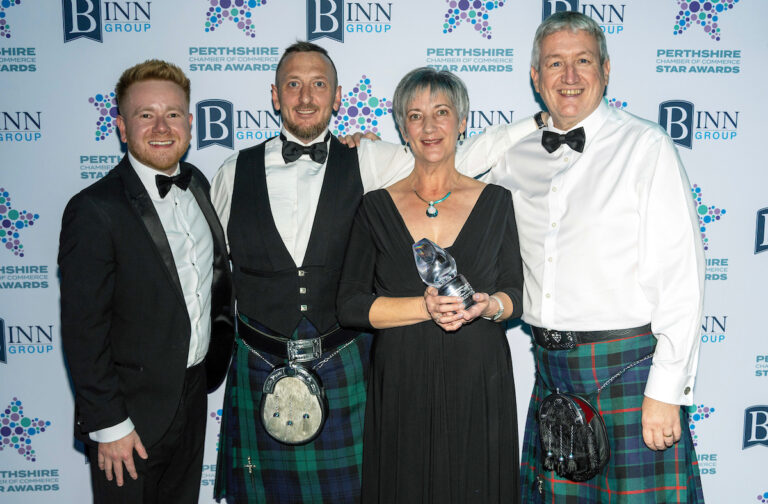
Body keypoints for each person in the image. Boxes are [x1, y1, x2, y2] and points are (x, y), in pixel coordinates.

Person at [209, 41, 541, 503]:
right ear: (274, 95)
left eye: (319, 85)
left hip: (343, 365)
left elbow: (456, 157)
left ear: (338, 96)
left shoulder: (368, 160)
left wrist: (546, 119)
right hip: (261, 367)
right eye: (293, 85)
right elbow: (210, 273)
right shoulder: (231, 172)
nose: (306, 97)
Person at [492, 12, 705, 502]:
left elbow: (681, 278)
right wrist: (364, 154)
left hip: (629, 375)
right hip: (551, 375)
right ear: (535, 77)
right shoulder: (513, 156)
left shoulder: (646, 147)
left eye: (583, 61)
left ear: (606, 70)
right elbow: (443, 168)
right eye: (555, 63)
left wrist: (666, 391)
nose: (569, 77)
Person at [337, 67, 523, 503]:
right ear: (402, 128)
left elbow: (515, 294)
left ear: (462, 122)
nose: (430, 126)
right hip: (403, 383)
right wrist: (424, 308)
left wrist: (487, 305)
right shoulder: (375, 206)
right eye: (416, 115)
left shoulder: (497, 202)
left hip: (479, 380)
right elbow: (348, 305)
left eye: (442, 112)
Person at [59, 59, 233, 503]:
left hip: (192, 399)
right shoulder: (94, 210)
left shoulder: (197, 186)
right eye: (145, 115)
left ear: (190, 124)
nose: (161, 127)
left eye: (173, 114)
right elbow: (84, 331)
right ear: (121, 126)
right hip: (129, 418)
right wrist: (110, 425)